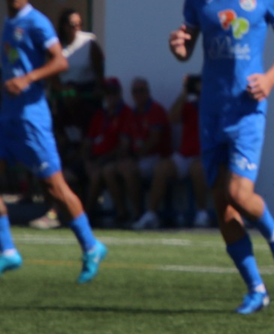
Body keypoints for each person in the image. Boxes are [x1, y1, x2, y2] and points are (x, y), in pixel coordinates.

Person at [169, 0, 274, 314]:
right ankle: (256, 289)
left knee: (240, 195)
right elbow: (187, 45)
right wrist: (178, 46)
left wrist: (270, 79)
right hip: (211, 111)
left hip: (247, 110)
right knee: (221, 206)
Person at [0, 0, 107, 283]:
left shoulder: (37, 22)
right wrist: (2, 78)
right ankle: (7, 250)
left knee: (56, 188)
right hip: (8, 118)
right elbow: (16, 64)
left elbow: (60, 61)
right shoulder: (9, 22)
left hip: (32, 120)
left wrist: (27, 80)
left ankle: (91, 245)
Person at [35, 8, 105, 230]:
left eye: (79, 24)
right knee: (56, 153)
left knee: (85, 154)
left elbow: (99, 73)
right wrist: (64, 92)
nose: (76, 29)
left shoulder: (89, 43)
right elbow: (52, 75)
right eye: (71, 25)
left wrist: (88, 94)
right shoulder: (56, 46)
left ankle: (85, 210)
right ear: (63, 26)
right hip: (65, 100)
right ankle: (55, 209)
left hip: (85, 101)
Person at [135, 74, 212, 229]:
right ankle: (151, 214)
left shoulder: (213, 104)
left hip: (205, 155)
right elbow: (171, 119)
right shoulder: (189, 105)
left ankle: (202, 213)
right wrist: (184, 94)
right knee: (161, 168)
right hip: (184, 155)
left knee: (197, 169)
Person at [82, 77, 137, 226]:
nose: (109, 97)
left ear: (119, 93)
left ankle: (118, 213)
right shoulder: (100, 115)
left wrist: (100, 161)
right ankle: (79, 215)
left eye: (112, 92)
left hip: (112, 160)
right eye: (106, 93)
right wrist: (87, 161)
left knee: (103, 172)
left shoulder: (126, 113)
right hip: (96, 161)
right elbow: (88, 143)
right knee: (69, 174)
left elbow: (124, 147)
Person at [128, 77, 177, 229]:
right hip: (141, 158)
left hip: (157, 157)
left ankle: (143, 215)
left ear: (148, 92)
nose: (138, 94)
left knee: (129, 170)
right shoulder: (133, 112)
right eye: (135, 91)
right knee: (115, 170)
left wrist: (134, 157)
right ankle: (134, 214)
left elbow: (154, 140)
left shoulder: (156, 110)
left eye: (141, 91)